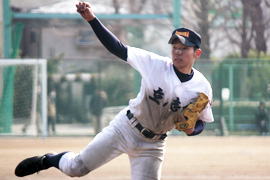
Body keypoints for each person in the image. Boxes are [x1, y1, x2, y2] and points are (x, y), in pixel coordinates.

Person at [14, 2, 214, 180]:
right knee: (77, 168)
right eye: (175, 47)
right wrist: (92, 20)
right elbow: (118, 48)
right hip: (125, 129)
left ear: (197, 53)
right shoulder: (154, 64)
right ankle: (48, 160)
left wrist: (191, 129)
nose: (177, 51)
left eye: (184, 48)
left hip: (153, 146)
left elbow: (201, 121)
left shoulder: (202, 87)